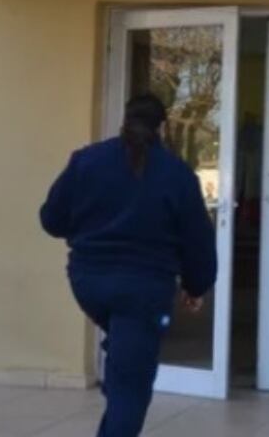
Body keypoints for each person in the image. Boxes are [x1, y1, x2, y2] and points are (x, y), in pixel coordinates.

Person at [40, 93, 217, 437]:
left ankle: (119, 363)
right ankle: (121, 371)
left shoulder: (86, 161)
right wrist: (196, 285)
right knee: (131, 391)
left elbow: (51, 219)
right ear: (162, 127)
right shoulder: (177, 174)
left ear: (125, 121)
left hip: (88, 283)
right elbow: (197, 240)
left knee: (126, 357)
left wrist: (86, 230)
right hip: (144, 291)